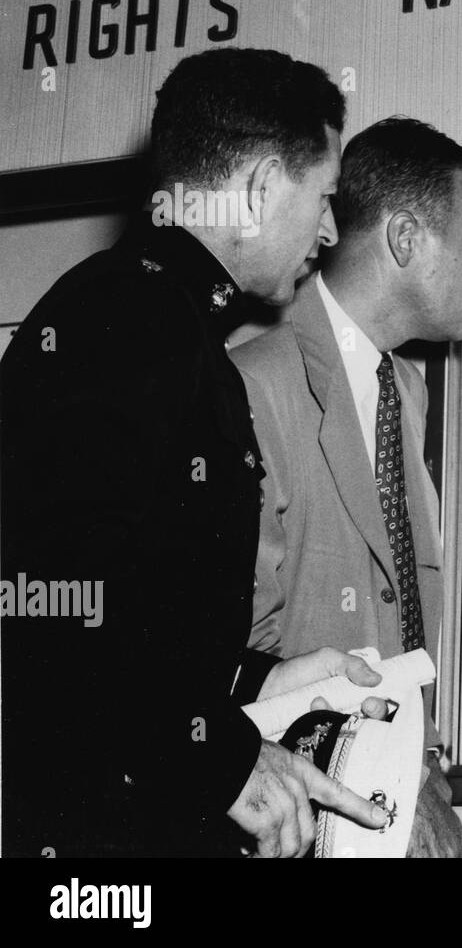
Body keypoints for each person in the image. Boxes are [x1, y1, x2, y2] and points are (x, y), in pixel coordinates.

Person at [1, 47, 394, 858]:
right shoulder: (132, 318)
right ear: (255, 190)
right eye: (322, 198)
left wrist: (253, 683)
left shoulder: (163, 321)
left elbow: (133, 620)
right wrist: (218, 758)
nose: (328, 229)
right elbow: (44, 598)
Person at [231, 116, 462, 858]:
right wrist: (384, 781)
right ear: (407, 237)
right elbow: (227, 652)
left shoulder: (406, 392)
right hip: (302, 810)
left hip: (405, 785)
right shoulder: (254, 384)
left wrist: (419, 771)